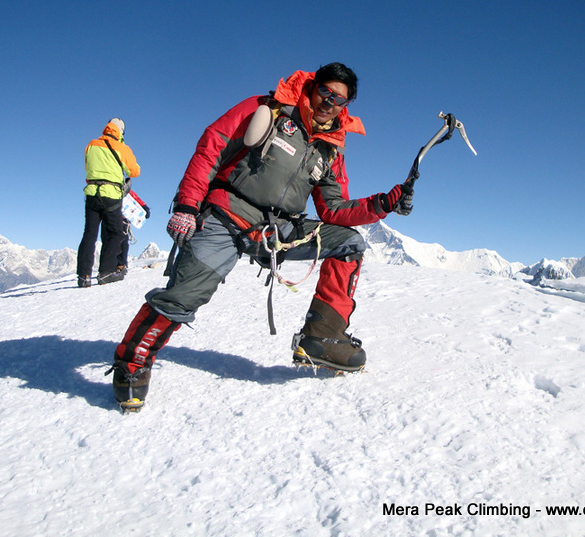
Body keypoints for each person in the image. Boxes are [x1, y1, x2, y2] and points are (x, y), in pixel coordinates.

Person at [107, 63, 413, 411]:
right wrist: (188, 205)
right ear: (313, 87)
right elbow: (214, 144)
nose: (330, 102)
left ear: (346, 107)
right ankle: (132, 363)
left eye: (340, 100)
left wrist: (385, 203)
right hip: (226, 214)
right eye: (326, 92)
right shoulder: (269, 109)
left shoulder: (330, 150)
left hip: (276, 230)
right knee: (185, 295)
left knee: (349, 243)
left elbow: (334, 210)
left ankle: (322, 337)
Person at [76, 118, 141, 287]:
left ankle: (83, 276)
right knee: (115, 233)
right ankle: (106, 272)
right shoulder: (122, 148)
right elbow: (134, 171)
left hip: (91, 192)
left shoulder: (91, 144)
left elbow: (87, 167)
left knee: (89, 234)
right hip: (111, 195)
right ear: (120, 132)